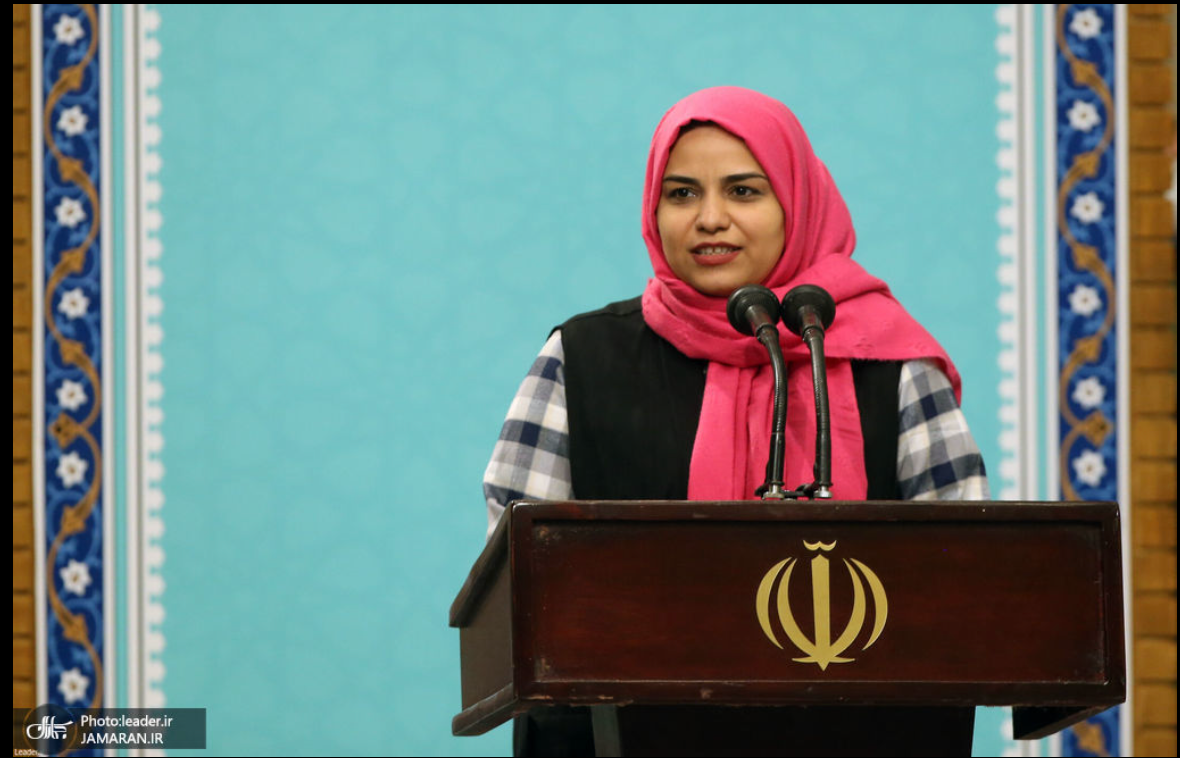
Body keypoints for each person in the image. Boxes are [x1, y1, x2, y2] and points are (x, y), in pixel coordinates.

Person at [481, 86, 989, 756]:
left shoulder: (892, 362)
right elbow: (519, 584)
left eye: (744, 191)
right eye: (682, 194)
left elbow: (971, 580)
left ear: (796, 204)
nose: (710, 218)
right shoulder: (580, 358)